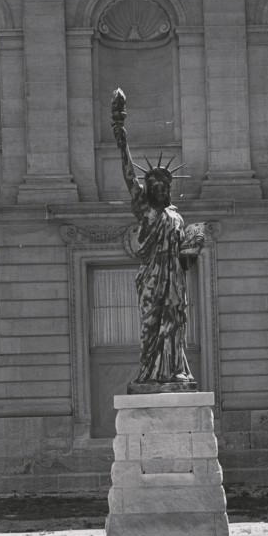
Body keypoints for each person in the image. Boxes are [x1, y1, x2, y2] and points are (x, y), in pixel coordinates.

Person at [111, 88, 206, 388]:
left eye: (165, 186)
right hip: (152, 280)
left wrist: (192, 248)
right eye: (155, 185)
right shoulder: (144, 208)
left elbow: (183, 253)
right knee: (150, 327)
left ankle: (174, 370)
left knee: (174, 325)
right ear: (149, 189)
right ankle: (149, 373)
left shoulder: (177, 216)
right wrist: (120, 133)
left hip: (174, 280)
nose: (160, 190)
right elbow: (128, 175)